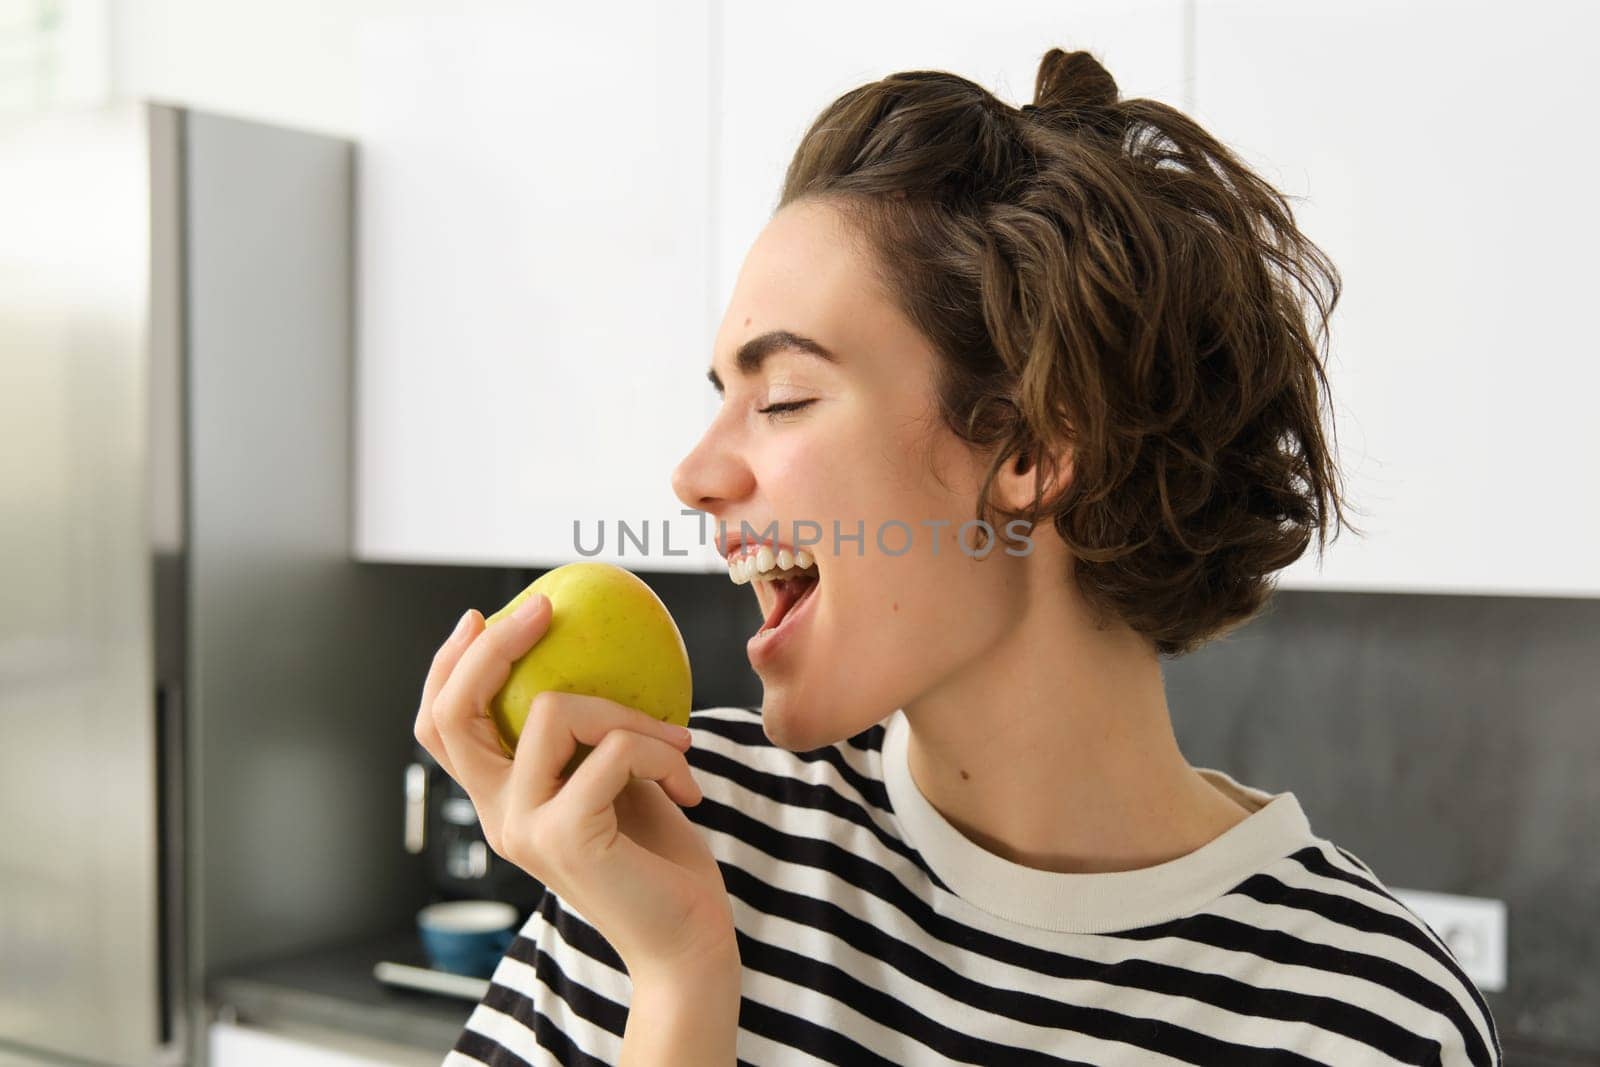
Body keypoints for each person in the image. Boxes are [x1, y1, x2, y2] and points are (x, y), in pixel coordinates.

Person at [423, 47, 1504, 1066]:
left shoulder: (1365, 1016)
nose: (695, 473)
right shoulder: (670, 834)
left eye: (784, 396)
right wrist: (677, 978)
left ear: (1033, 443)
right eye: (722, 399)